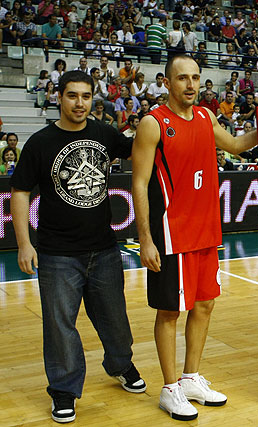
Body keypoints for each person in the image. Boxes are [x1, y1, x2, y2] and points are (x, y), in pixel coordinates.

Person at [132, 55, 258, 420]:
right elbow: (139, 184)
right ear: (167, 83)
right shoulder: (153, 124)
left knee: (205, 306)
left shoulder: (206, 117)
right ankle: (169, 388)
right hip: (173, 235)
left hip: (207, 231)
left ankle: (192, 376)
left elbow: (239, 145)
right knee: (169, 312)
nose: (191, 85)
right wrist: (145, 240)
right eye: (182, 78)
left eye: (196, 77)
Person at [10, 70, 146, 424]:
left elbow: (142, 146)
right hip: (56, 254)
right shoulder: (39, 143)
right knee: (60, 326)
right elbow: (20, 192)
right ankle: (65, 390)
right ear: (59, 97)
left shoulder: (104, 133)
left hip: (103, 249)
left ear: (93, 99)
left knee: (115, 318)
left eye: (86, 97)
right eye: (72, 96)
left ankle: (120, 365)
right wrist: (24, 243)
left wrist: (159, 120)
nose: (80, 103)